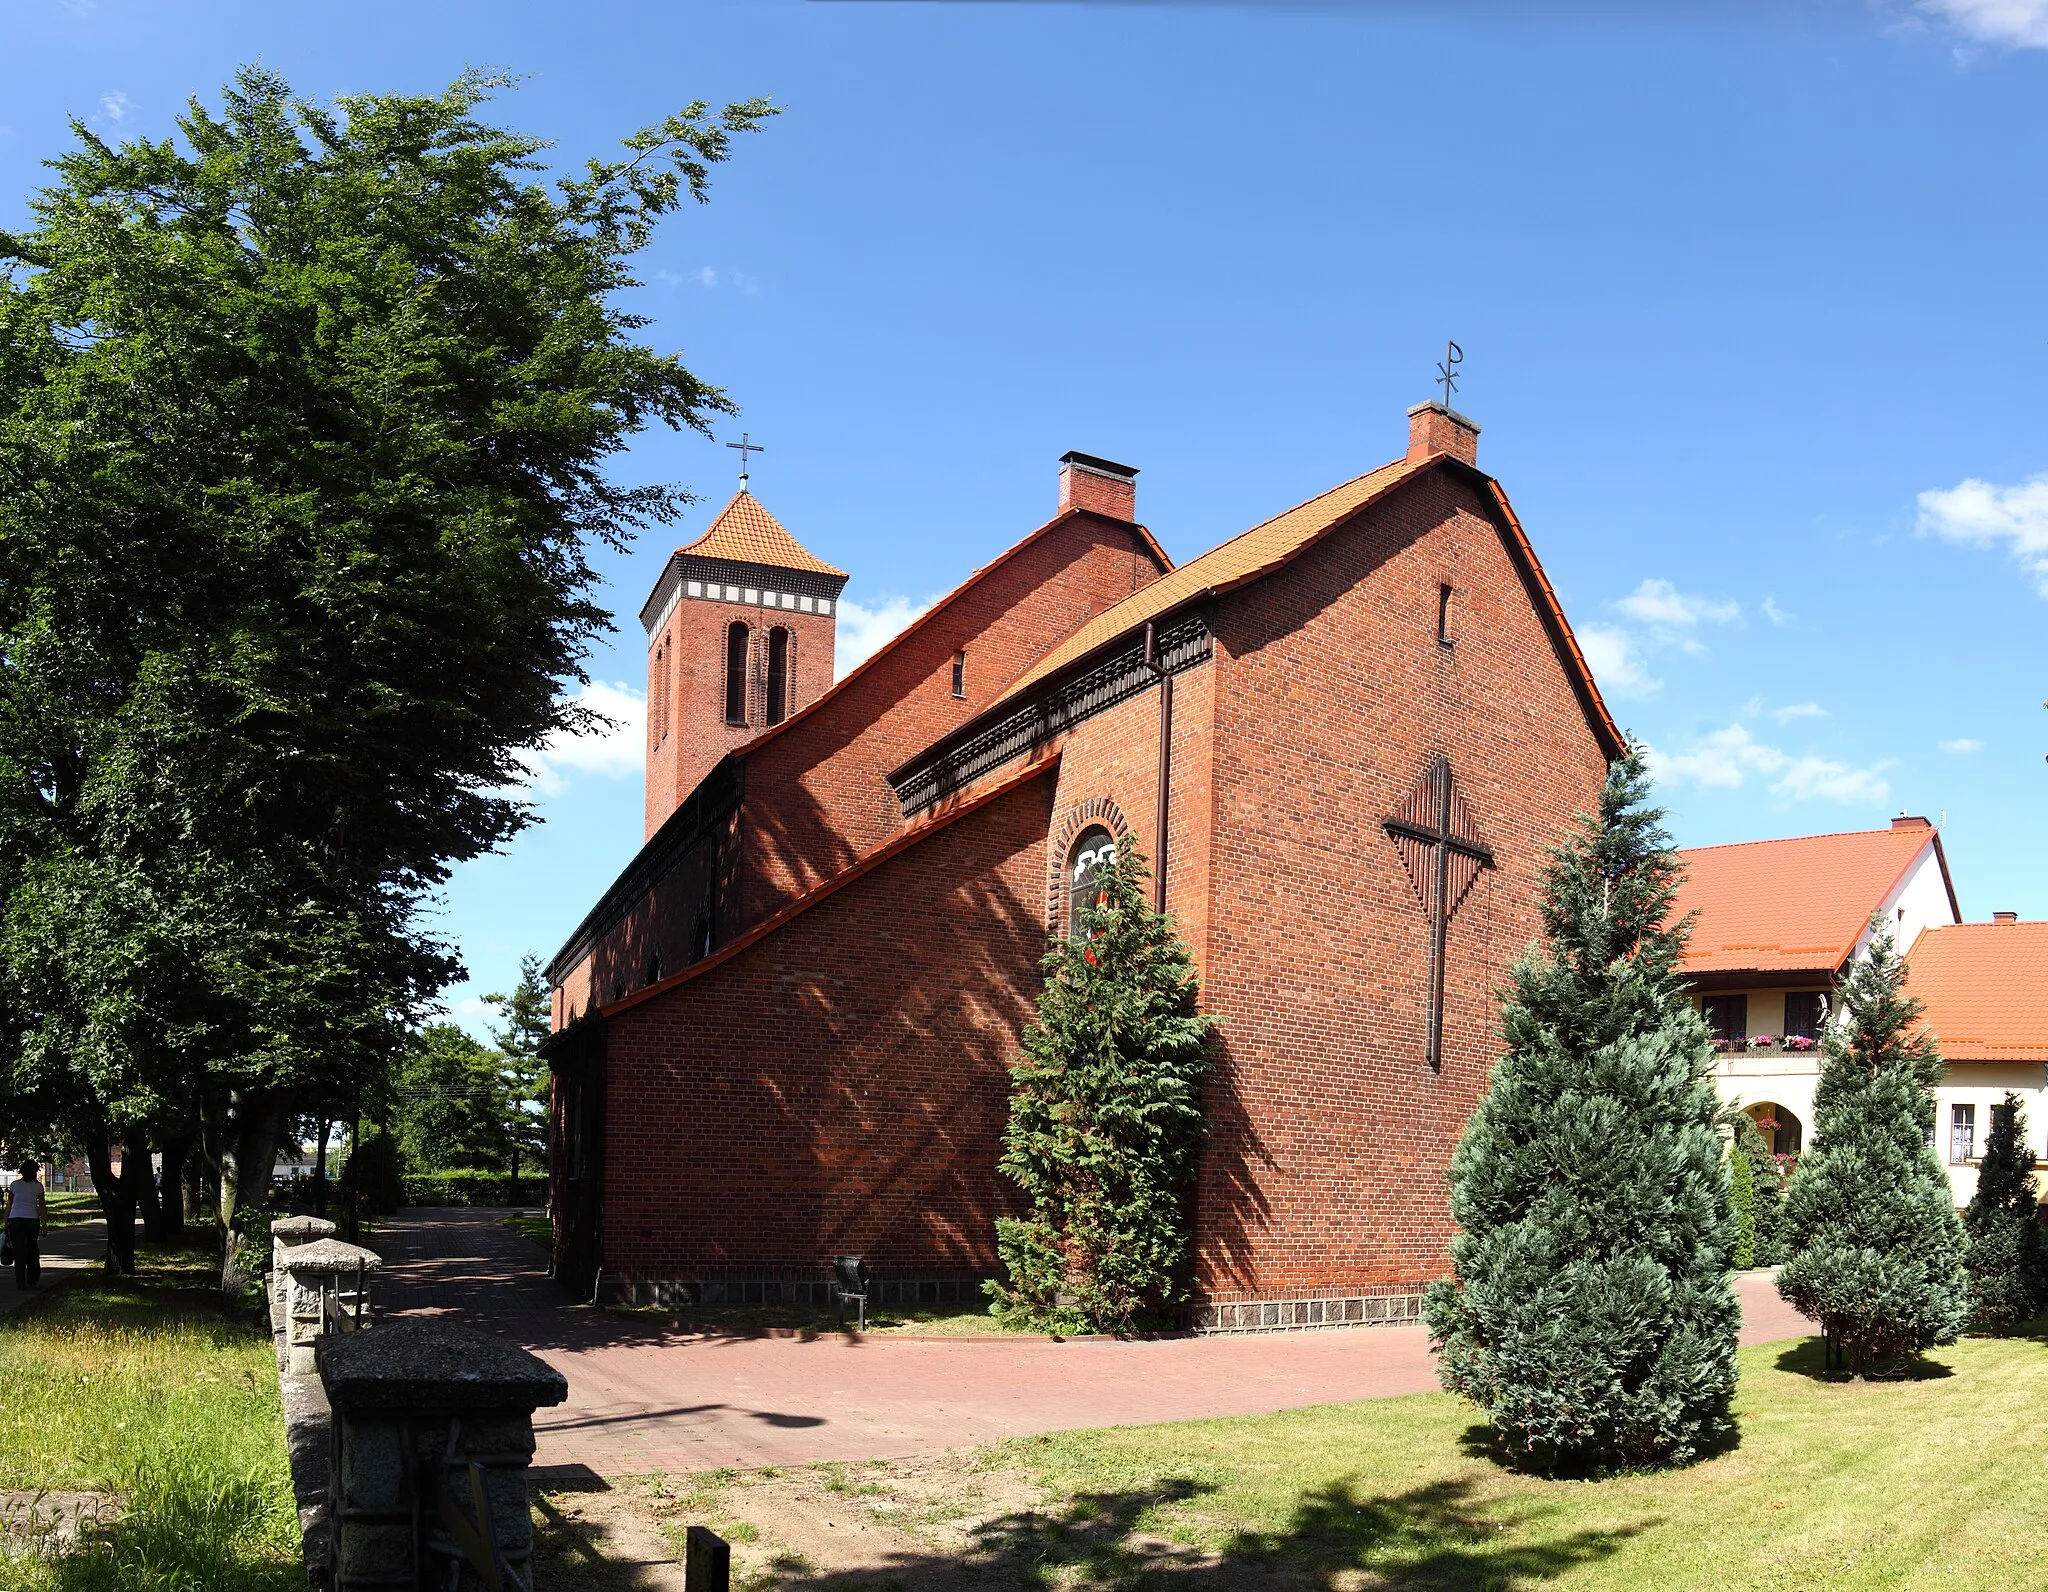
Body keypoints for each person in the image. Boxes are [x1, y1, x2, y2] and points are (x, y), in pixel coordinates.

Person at [6, 1160, 45, 1289]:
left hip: (15, 1219)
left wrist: (6, 1220)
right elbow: (42, 1206)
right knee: (32, 1249)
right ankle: (32, 1278)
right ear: (35, 1171)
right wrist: (44, 1223)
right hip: (32, 1219)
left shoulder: (14, 1185)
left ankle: (20, 1282)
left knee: (19, 1251)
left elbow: (9, 1204)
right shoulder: (38, 1186)